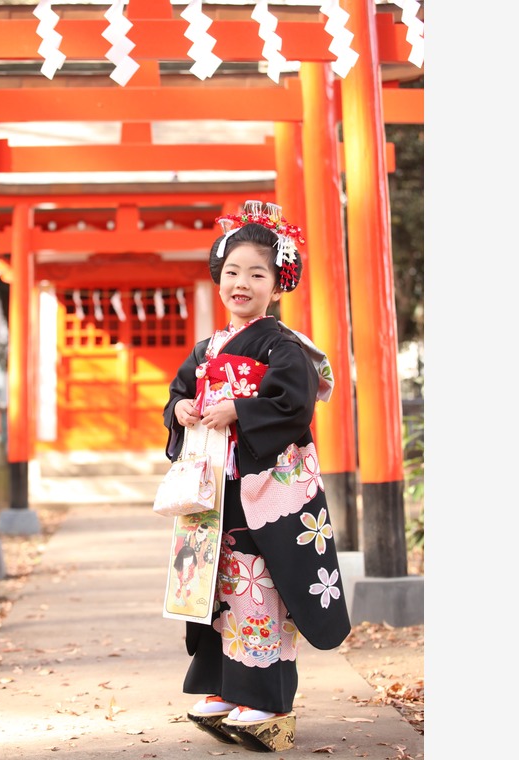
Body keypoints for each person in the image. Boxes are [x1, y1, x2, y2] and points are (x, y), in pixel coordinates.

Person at [161, 200, 352, 751]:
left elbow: (293, 404)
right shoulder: (206, 347)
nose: (241, 282)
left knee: (260, 587)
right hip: (217, 491)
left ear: (278, 284)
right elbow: (177, 392)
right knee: (220, 587)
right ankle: (224, 687)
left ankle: (267, 702)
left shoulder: (281, 345)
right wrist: (182, 410)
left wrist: (239, 411)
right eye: (232, 271)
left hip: (262, 488)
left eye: (256, 273)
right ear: (218, 278)